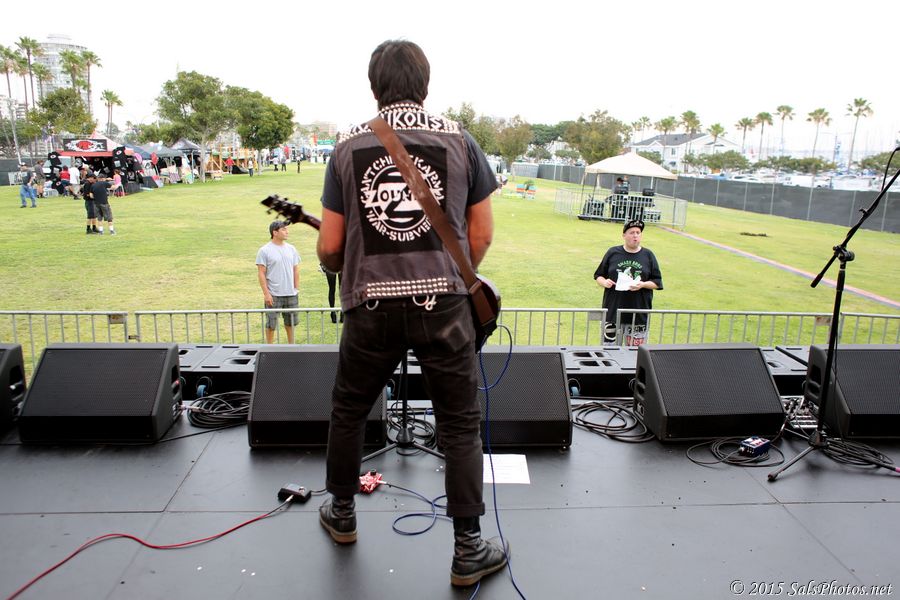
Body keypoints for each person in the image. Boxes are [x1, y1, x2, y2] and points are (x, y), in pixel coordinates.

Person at [315, 39, 506, 588]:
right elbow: (480, 234)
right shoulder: (461, 140)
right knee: (460, 422)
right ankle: (468, 548)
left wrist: (344, 260)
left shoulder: (346, 145)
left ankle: (342, 514)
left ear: (374, 86)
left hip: (370, 307)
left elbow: (330, 247)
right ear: (425, 83)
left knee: (349, 410)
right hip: (444, 305)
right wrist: (453, 276)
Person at [593, 219, 663, 346]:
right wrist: (604, 282)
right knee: (609, 351)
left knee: (635, 354)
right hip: (612, 313)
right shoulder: (613, 252)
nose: (635, 236)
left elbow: (657, 282)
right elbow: (598, 276)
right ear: (624, 235)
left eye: (638, 232)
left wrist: (643, 285)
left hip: (638, 315)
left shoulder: (648, 255)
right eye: (631, 232)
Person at [256, 220, 300, 343]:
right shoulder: (264, 250)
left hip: (291, 293)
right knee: (271, 324)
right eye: (284, 229)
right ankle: (270, 348)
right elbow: (261, 273)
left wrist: (296, 289)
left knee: (291, 323)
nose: (287, 232)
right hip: (273, 294)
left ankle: (292, 347)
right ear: (275, 232)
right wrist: (266, 294)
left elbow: (296, 269)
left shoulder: (292, 249)